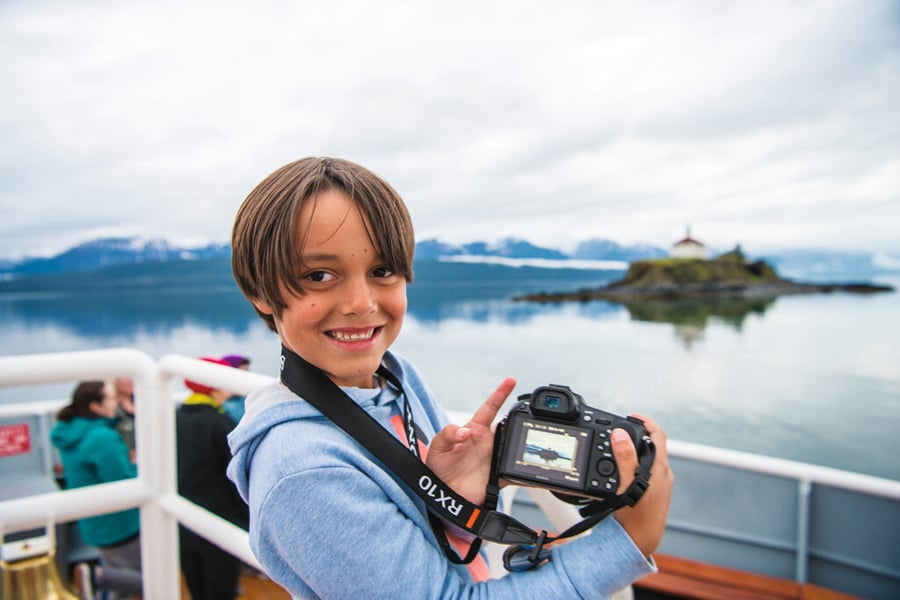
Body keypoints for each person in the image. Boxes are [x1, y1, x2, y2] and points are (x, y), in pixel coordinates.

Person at [226, 157, 673, 598]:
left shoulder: (395, 378)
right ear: (259, 292)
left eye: (382, 271)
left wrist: (453, 507)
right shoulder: (304, 472)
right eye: (319, 275)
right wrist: (629, 542)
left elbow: (429, 557)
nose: (361, 303)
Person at [51, 381, 143, 597]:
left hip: (94, 520)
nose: (115, 403)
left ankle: (102, 578)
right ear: (95, 406)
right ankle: (97, 577)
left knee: (118, 571)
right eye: (110, 398)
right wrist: (139, 465)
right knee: (147, 577)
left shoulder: (71, 431)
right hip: (120, 522)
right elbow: (122, 481)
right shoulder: (101, 438)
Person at [176, 358, 249, 600]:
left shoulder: (177, 417)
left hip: (185, 518)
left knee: (197, 587)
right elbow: (236, 478)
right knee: (221, 590)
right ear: (214, 385)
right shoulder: (220, 423)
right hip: (220, 518)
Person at [220, 354, 251, 424]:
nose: (248, 376)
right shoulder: (219, 403)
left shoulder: (247, 399)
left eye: (248, 372)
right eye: (244, 372)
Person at [113, 377, 136, 460]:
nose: (129, 381)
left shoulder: (143, 402)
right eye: (125, 377)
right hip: (123, 457)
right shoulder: (111, 408)